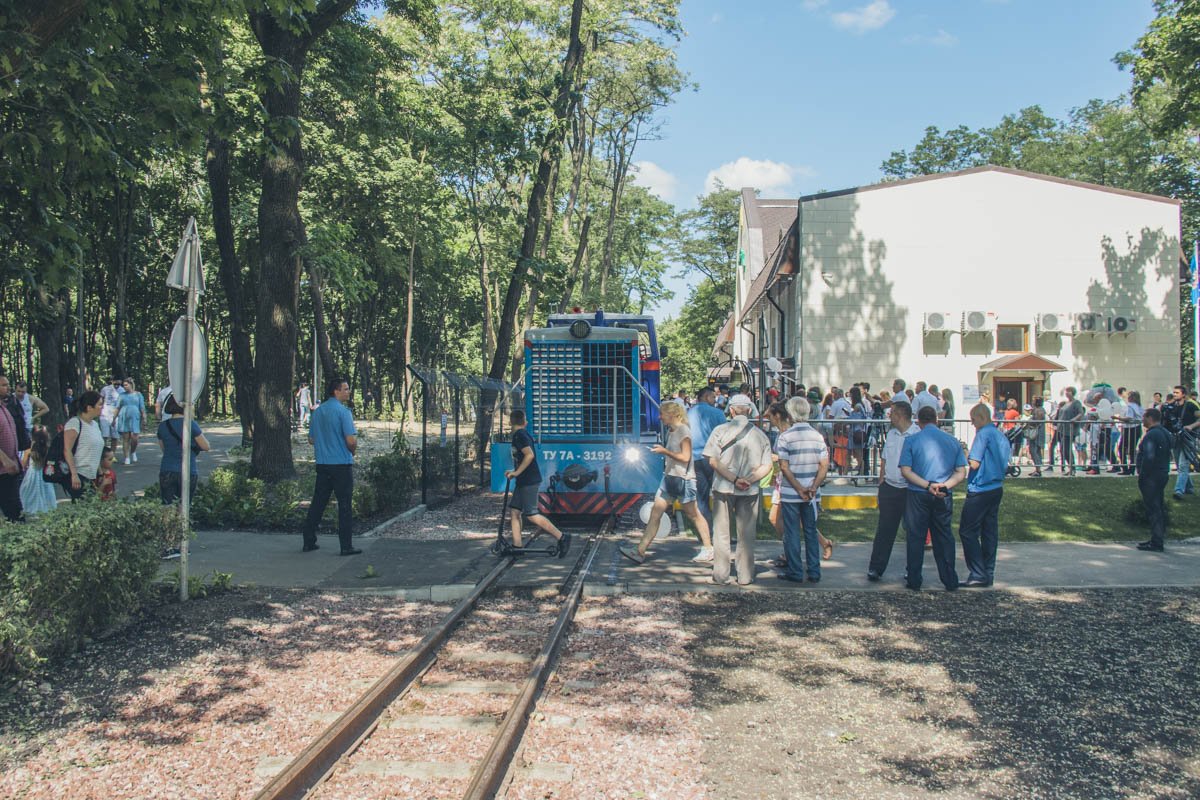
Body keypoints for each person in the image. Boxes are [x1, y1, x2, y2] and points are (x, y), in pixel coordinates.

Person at [620, 401, 712, 564]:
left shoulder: (684, 431)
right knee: (655, 513)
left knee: (694, 514)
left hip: (683, 479)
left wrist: (664, 451)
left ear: (672, 414)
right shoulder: (672, 431)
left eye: (662, 413)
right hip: (669, 478)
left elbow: (685, 457)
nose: (659, 417)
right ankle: (639, 551)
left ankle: (708, 548)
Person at [702, 394, 773, 586]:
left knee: (721, 532)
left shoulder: (720, 431)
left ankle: (721, 574)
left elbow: (713, 460)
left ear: (731, 410)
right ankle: (745, 575)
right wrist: (748, 480)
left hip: (723, 488)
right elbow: (767, 466)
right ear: (749, 410)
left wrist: (734, 479)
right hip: (749, 490)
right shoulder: (760, 435)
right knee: (747, 534)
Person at [898, 405, 967, 591]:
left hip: (918, 492)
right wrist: (945, 485)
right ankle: (949, 579)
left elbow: (905, 470)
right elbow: (961, 472)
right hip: (943, 492)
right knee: (944, 536)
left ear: (918, 421)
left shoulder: (911, 440)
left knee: (915, 537)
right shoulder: (952, 441)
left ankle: (914, 579)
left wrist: (927, 485)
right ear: (936, 419)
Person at [301, 378, 363, 555]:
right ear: (336, 391)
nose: (348, 392)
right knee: (344, 505)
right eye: (345, 389)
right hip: (341, 464)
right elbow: (351, 440)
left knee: (318, 502)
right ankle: (346, 545)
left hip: (323, 463)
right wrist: (353, 451)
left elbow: (311, 439)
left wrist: (325, 442)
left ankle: (308, 540)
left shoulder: (318, 412)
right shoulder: (344, 412)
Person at [774, 396, 829, 583]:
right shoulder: (817, 436)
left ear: (789, 413)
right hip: (811, 493)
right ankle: (814, 570)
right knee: (810, 531)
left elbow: (784, 466)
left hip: (791, 492)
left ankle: (795, 571)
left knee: (792, 532)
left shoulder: (785, 437)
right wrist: (812, 486)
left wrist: (798, 488)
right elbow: (823, 466)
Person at [503, 409, 570, 556]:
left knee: (531, 514)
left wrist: (516, 472)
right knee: (514, 512)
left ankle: (562, 537)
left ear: (510, 422)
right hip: (524, 480)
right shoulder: (522, 435)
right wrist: (515, 472)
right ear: (524, 422)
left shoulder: (520, 435)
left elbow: (529, 456)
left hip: (529, 480)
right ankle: (517, 547)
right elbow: (522, 458)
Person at [958, 403, 1011, 587]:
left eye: (973, 420)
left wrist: (963, 451)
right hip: (996, 486)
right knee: (989, 532)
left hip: (980, 488)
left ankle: (977, 572)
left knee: (967, 531)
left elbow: (974, 463)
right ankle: (988, 571)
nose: (972, 424)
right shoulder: (1000, 435)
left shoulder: (983, 434)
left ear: (981, 417)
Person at [867, 400, 917, 581]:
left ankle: (913, 569)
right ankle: (876, 567)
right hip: (890, 486)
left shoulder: (916, 435)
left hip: (909, 488)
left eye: (893, 413)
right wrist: (881, 485)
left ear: (900, 415)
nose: (889, 416)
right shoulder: (892, 434)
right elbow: (885, 460)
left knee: (912, 530)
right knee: (884, 530)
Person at [157, 393, 210, 505]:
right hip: (188, 470)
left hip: (167, 469)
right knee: (184, 507)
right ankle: (183, 523)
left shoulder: (162, 426)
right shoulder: (191, 425)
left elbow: (164, 449)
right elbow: (206, 446)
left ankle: (168, 523)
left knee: (167, 507)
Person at [687, 385, 727, 532]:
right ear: (705, 397)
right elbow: (725, 436)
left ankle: (707, 531)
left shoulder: (688, 414)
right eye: (712, 397)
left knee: (701, 498)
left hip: (696, 459)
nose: (714, 399)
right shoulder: (718, 413)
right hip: (714, 459)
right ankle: (722, 532)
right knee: (720, 496)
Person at [1136, 407, 1174, 551]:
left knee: (1154, 509)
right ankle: (1156, 539)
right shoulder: (1165, 432)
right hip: (1162, 473)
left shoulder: (1152, 435)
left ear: (1150, 418)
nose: (1142, 420)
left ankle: (1157, 542)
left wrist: (1142, 474)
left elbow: (1149, 457)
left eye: (1144, 417)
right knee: (1157, 507)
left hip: (1151, 476)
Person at [63, 390, 105, 501]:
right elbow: (67, 450)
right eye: (100, 404)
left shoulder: (95, 425)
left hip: (91, 475)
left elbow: (95, 450)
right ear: (89, 407)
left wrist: (100, 472)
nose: (102, 407)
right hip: (79, 475)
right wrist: (74, 474)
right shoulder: (74, 423)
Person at [0, 374, 29, 521]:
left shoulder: (5, 407)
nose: (8, 388)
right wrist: (5, 460)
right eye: (4, 385)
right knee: (14, 512)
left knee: (15, 510)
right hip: (3, 469)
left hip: (11, 468)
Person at [1164, 385, 1199, 500]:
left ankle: (1179, 490)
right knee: (1180, 465)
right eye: (1174, 392)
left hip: (1189, 438)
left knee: (1184, 465)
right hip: (1176, 438)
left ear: (1183, 394)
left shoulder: (1191, 405)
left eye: (1177, 393)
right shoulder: (1172, 407)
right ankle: (1189, 488)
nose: (1175, 394)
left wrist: (1191, 426)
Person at [19, 427, 57, 515]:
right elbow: (51, 462)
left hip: (32, 474)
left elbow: (23, 464)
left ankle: (30, 507)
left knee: (29, 490)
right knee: (46, 491)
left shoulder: (29, 450)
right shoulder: (48, 449)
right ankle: (46, 507)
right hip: (44, 474)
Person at [116, 378, 147, 465]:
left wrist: (144, 417)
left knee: (134, 437)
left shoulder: (138, 394)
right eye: (124, 385)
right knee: (126, 438)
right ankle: (126, 457)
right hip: (124, 416)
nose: (124, 387)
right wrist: (114, 418)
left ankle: (133, 451)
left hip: (135, 417)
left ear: (131, 384)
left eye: (126, 385)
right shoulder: (121, 395)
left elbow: (142, 407)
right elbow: (117, 407)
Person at [1056, 387, 1084, 475]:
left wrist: (1073, 419)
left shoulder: (1076, 403)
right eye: (1066, 391)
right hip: (1062, 429)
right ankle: (1070, 467)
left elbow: (1081, 413)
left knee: (1067, 449)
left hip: (1070, 429)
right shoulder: (1066, 403)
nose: (1067, 393)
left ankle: (1072, 468)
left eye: (1069, 391)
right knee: (1063, 449)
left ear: (1073, 393)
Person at [99, 375, 125, 451]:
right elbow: (101, 400)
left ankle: (112, 454)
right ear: (112, 381)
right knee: (104, 435)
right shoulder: (105, 389)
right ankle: (103, 454)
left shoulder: (122, 390)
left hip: (116, 416)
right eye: (115, 384)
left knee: (115, 436)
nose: (117, 386)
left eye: (119, 384)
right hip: (105, 414)